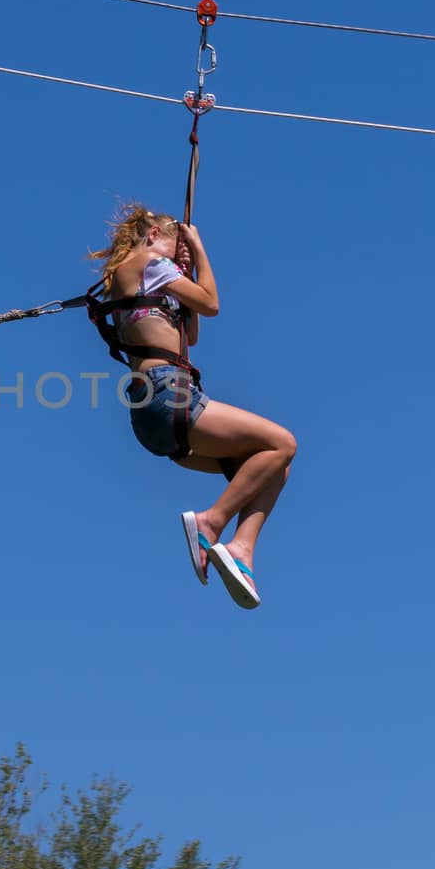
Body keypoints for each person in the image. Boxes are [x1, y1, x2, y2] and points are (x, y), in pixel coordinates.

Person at [88, 203, 297, 609]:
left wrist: (183, 271)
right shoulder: (148, 259)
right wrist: (198, 251)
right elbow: (212, 304)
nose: (177, 251)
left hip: (153, 416)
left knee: (273, 467)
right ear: (153, 237)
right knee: (283, 443)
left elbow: (192, 330)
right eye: (175, 242)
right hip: (170, 396)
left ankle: (241, 550)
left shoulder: (149, 276)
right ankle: (211, 521)